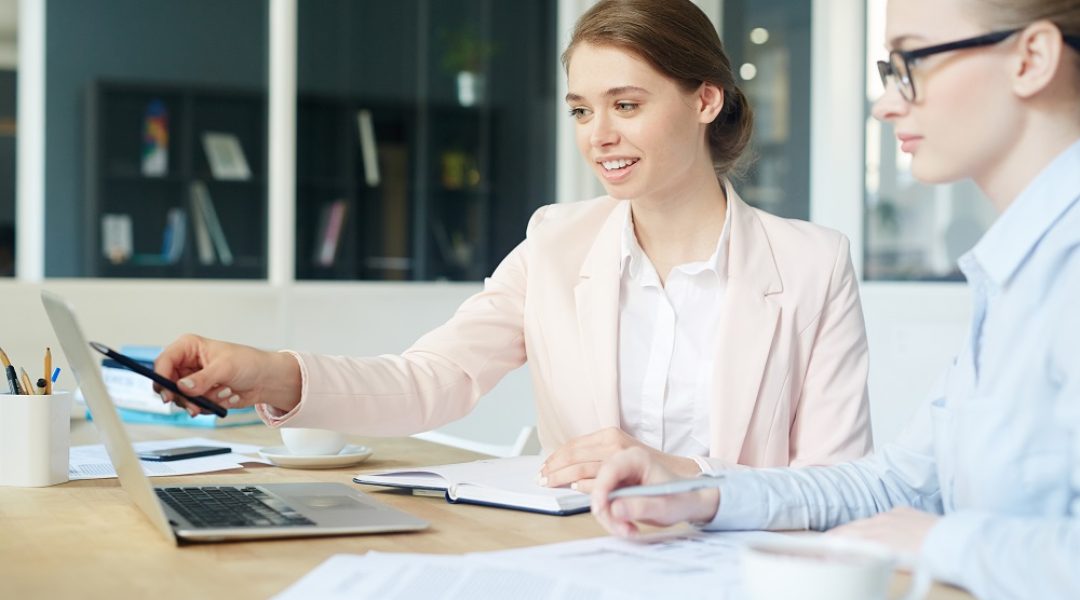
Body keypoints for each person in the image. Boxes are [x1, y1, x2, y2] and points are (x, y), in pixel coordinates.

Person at [155, 0, 873, 491]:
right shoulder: (556, 244)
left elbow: (840, 486)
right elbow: (430, 381)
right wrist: (265, 373)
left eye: (626, 105)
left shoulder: (813, 265)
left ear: (705, 100)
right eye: (582, 111)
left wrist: (688, 476)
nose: (599, 136)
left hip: (742, 574)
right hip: (581, 561)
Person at [591, 0, 1080, 597]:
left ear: (1031, 59)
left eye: (913, 61)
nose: (886, 102)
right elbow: (896, 485)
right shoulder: (1019, 270)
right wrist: (698, 494)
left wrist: (936, 541)